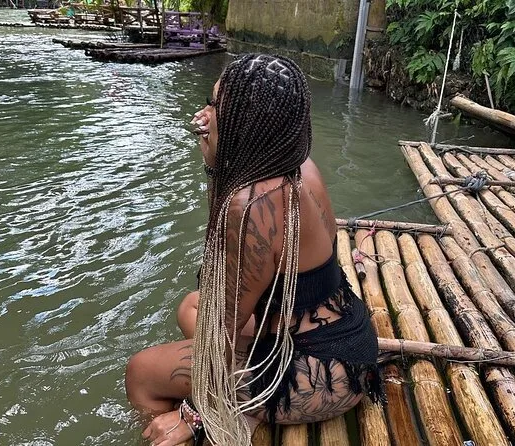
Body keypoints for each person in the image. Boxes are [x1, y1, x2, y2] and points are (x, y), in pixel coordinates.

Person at [125, 54, 381, 446]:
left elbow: (222, 329)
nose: (203, 116)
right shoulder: (298, 164)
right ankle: (234, 406)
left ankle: (184, 429)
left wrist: (194, 410)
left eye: (214, 107)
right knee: (190, 306)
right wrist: (216, 165)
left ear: (244, 123)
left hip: (319, 379)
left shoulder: (252, 207)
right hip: (348, 341)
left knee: (141, 371)